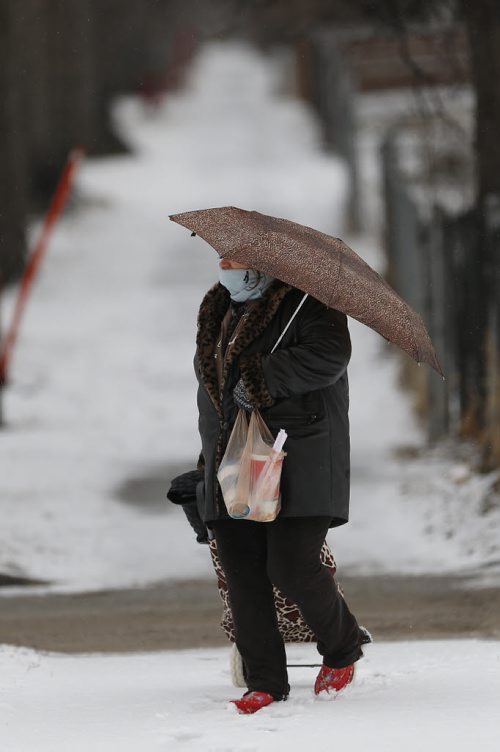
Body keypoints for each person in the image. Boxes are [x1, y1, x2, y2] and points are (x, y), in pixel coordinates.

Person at [195, 257, 367, 714]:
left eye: (236, 261)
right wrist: (202, 467)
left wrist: (263, 378)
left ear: (264, 265)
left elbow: (330, 357)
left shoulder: (310, 305)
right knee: (241, 572)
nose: (226, 268)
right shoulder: (220, 312)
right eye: (222, 260)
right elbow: (213, 399)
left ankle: (342, 646)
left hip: (299, 456)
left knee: (291, 564)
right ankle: (265, 681)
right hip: (232, 461)